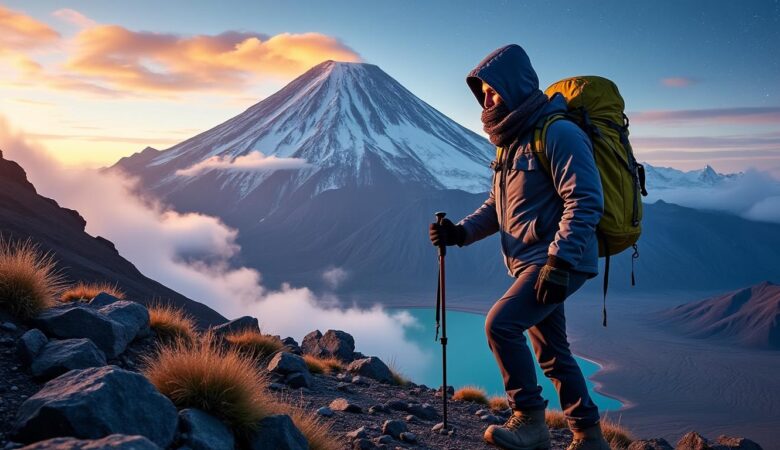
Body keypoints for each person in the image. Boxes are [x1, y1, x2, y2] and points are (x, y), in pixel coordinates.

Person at [429, 44, 610, 450]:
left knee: (501, 324)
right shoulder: (510, 141)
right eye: (484, 93)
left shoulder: (558, 132)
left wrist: (559, 260)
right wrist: (460, 233)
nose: (489, 99)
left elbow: (585, 199)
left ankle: (530, 420)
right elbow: (499, 206)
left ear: (515, 86)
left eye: (495, 90)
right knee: (553, 353)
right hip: (536, 262)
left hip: (558, 260)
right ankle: (589, 434)